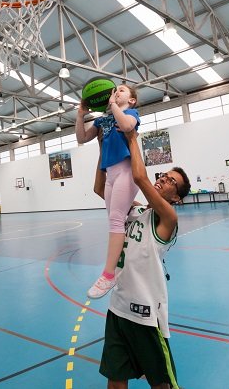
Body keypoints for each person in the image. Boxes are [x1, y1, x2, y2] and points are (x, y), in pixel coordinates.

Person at [99, 126, 190, 388]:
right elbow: (100, 187)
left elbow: (139, 177)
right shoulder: (135, 211)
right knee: (116, 379)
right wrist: (103, 145)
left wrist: (131, 136)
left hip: (146, 314)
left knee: (161, 384)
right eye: (165, 175)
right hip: (118, 307)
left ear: (177, 197)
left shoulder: (168, 219)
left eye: (171, 181)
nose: (163, 179)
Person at [76, 84, 140, 299]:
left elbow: (128, 126)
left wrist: (113, 105)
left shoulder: (131, 113)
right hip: (110, 174)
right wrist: (80, 115)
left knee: (116, 220)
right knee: (116, 221)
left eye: (122, 90)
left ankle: (108, 274)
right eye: (116, 90)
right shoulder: (102, 120)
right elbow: (82, 138)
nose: (116, 92)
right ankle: (122, 263)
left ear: (131, 100)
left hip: (126, 171)